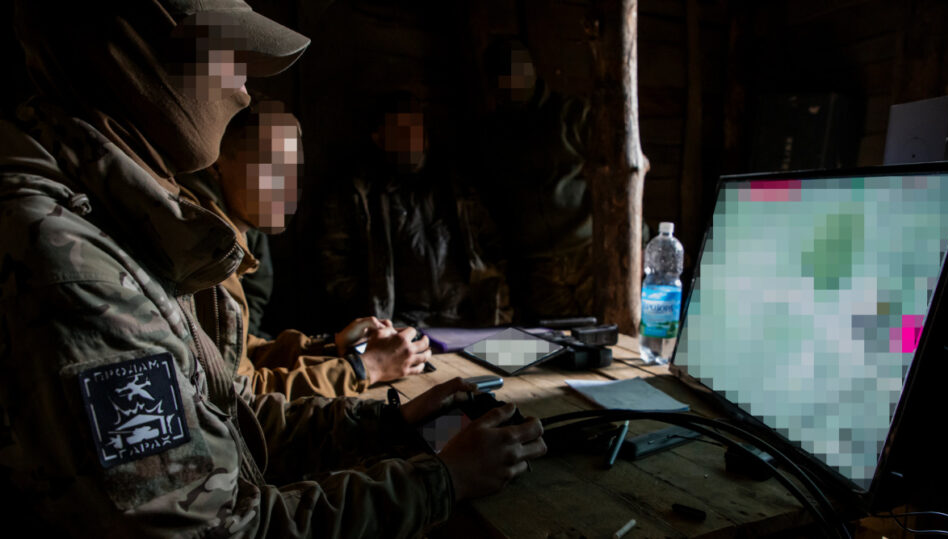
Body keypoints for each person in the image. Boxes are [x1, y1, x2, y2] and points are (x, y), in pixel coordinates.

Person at [0, 2, 545, 536]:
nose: (242, 90)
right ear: (135, 50)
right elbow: (214, 530)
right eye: (228, 54)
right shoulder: (73, 263)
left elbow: (223, 413)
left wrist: (387, 422)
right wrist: (440, 481)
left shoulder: (121, 221)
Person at [179, 100, 428, 399]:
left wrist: (332, 346)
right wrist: (364, 368)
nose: (286, 185)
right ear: (216, 164)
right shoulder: (202, 253)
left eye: (293, 167)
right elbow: (241, 400)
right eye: (269, 165)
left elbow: (240, 353)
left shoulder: (228, 238)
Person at [315, 91, 510, 329]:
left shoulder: (456, 185)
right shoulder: (361, 193)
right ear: (379, 137)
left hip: (465, 319)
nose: (410, 137)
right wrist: (365, 309)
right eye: (399, 129)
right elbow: (335, 260)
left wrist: (497, 297)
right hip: (398, 325)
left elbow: (491, 243)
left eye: (415, 128)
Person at [474, 37, 594, 322]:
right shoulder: (490, 137)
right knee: (557, 343)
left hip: (588, 256)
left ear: (532, 69)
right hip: (536, 268)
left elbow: (618, 179)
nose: (512, 80)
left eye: (518, 69)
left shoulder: (572, 115)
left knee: (612, 334)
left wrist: (640, 239)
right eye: (503, 74)